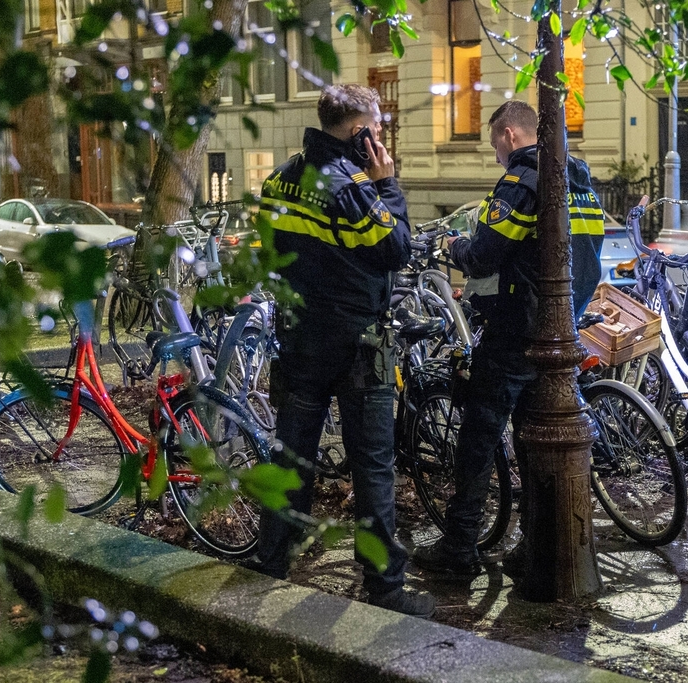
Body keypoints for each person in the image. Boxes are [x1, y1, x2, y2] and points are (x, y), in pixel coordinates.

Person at [254, 84, 436, 618]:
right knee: (372, 467)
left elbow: (272, 251)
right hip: (357, 343)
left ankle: (272, 562)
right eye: (376, 130)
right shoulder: (353, 186)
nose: (380, 139)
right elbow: (395, 249)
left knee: (290, 458)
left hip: (299, 340)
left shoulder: (280, 178)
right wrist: (389, 185)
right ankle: (385, 589)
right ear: (360, 132)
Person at [411, 100, 605, 578]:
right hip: (561, 333)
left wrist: (450, 245)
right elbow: (590, 257)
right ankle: (535, 543)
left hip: (518, 329)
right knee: (537, 438)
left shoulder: (523, 181)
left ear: (511, 136)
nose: (497, 154)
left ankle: (460, 548)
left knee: (478, 437)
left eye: (496, 144)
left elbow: (484, 255)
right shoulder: (579, 183)